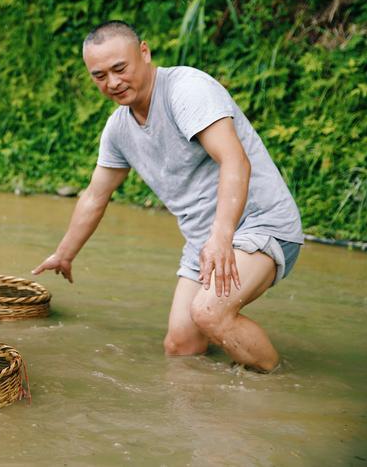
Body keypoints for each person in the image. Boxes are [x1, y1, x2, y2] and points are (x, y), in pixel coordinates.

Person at [32, 20, 303, 372]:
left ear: (144, 52)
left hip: (260, 223)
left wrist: (222, 237)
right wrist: (64, 254)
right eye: (99, 76)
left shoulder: (186, 90)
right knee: (181, 346)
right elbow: (95, 196)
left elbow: (234, 160)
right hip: (204, 242)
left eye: (120, 68)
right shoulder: (118, 130)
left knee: (210, 312)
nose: (112, 82)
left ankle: (274, 386)